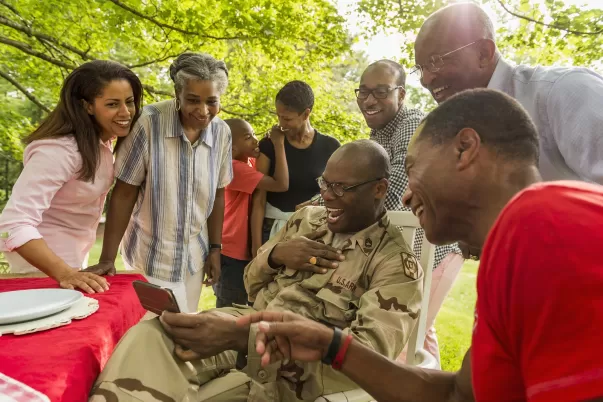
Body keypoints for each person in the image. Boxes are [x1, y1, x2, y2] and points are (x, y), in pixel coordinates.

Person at [237, 89, 603, 402]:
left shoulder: (548, 227)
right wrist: (331, 345)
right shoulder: (514, 244)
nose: (406, 195)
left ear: (465, 149)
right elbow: (458, 393)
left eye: (412, 170)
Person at [89, 140, 423, 402]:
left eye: (341, 188)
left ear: (379, 189)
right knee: (155, 332)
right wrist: (276, 256)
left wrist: (243, 338)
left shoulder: (394, 264)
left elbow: (367, 362)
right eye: (325, 183)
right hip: (245, 326)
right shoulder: (307, 220)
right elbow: (250, 284)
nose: (326, 196)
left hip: (289, 370)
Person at [86, 53, 232, 313]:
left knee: (186, 326)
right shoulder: (147, 123)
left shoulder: (222, 133)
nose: (202, 110)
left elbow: (218, 193)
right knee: (155, 331)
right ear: (177, 93)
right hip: (151, 258)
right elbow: (124, 193)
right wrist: (107, 258)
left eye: (211, 101)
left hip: (194, 257)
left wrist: (214, 249)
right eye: (193, 100)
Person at [413, 2, 603, 185]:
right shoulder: (457, 132)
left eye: (435, 61)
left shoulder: (564, 90)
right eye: (420, 69)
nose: (425, 80)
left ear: (483, 53)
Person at [0, 60, 142, 293]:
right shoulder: (59, 150)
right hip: (41, 267)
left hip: (71, 261)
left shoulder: (102, 144)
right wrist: (64, 272)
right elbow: (14, 223)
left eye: (129, 101)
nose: (126, 112)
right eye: (112, 104)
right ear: (87, 106)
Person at [357, 59, 463, 365]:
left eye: (380, 92)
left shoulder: (412, 125)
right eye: (363, 92)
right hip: (412, 252)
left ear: (401, 94)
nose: (369, 100)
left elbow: (394, 194)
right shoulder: (378, 135)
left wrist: (341, 211)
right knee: (421, 339)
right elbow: (356, 184)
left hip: (434, 250)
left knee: (401, 343)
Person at [250, 80, 340, 256]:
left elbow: (336, 194)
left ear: (306, 114)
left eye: (287, 118)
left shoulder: (330, 146)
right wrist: (256, 246)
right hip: (271, 231)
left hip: (312, 233)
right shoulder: (268, 144)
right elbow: (259, 199)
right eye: (278, 116)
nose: (281, 123)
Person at [214, 119, 289, 308]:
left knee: (245, 304)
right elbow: (281, 184)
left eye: (254, 134)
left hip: (238, 249)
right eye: (248, 137)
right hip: (233, 253)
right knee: (230, 308)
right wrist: (278, 144)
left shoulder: (248, 162)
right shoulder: (232, 167)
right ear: (232, 149)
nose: (255, 140)